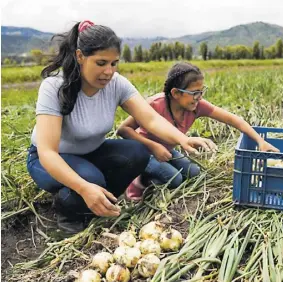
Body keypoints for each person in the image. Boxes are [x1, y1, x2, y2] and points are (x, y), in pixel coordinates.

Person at [26, 22, 216, 235]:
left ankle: (99, 202)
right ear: (80, 56)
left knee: (138, 153)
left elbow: (150, 119)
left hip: (92, 152)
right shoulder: (54, 87)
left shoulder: (116, 84)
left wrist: (182, 140)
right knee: (91, 180)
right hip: (49, 160)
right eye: (101, 63)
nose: (108, 71)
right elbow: (47, 152)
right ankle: (67, 210)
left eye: (114, 63)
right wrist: (83, 187)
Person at [117, 62, 279, 200]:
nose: (199, 97)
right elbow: (123, 130)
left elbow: (233, 119)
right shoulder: (154, 105)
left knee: (194, 173)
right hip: (144, 153)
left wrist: (260, 141)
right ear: (175, 93)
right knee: (174, 179)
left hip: (167, 151)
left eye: (201, 91)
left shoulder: (196, 106)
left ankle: (156, 176)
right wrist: (153, 146)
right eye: (194, 93)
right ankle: (138, 182)